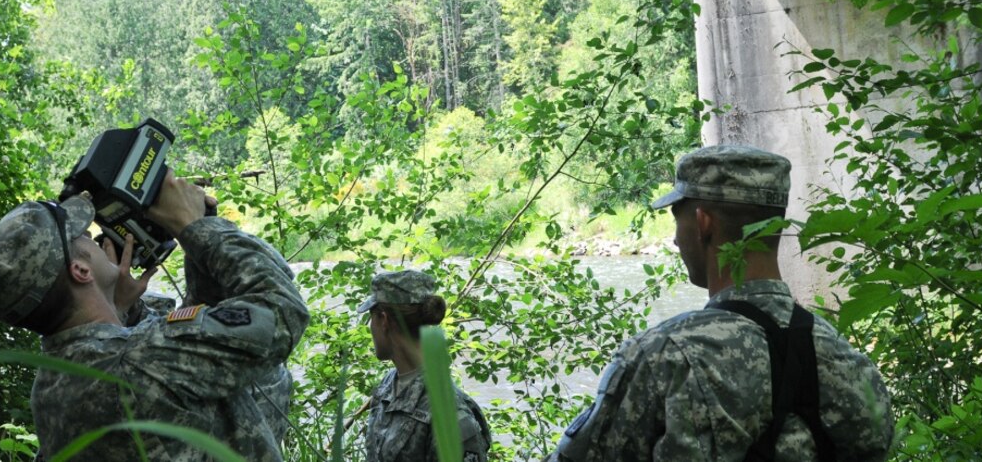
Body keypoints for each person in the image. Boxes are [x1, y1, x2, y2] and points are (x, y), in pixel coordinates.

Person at [547, 145, 894, 461]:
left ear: (703, 223)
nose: (674, 238)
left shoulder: (664, 356)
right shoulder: (848, 360)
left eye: (677, 220)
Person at [0, 170, 309, 461]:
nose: (95, 239)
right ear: (81, 269)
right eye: (84, 237)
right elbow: (280, 309)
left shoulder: (53, 387)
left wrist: (118, 311)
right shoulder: (139, 364)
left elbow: (204, 355)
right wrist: (193, 228)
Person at [361, 270, 491, 462]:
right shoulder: (388, 385)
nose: (370, 326)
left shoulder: (449, 414)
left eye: (371, 318)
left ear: (383, 320)